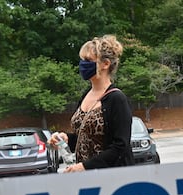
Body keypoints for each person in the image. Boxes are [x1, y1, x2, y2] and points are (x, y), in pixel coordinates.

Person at [49, 35, 134, 171]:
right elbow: (85, 139)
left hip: (112, 177)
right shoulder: (86, 95)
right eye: (82, 60)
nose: (83, 64)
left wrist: (84, 166)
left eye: (88, 60)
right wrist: (65, 139)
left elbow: (120, 146)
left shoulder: (116, 99)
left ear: (105, 64)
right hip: (86, 178)